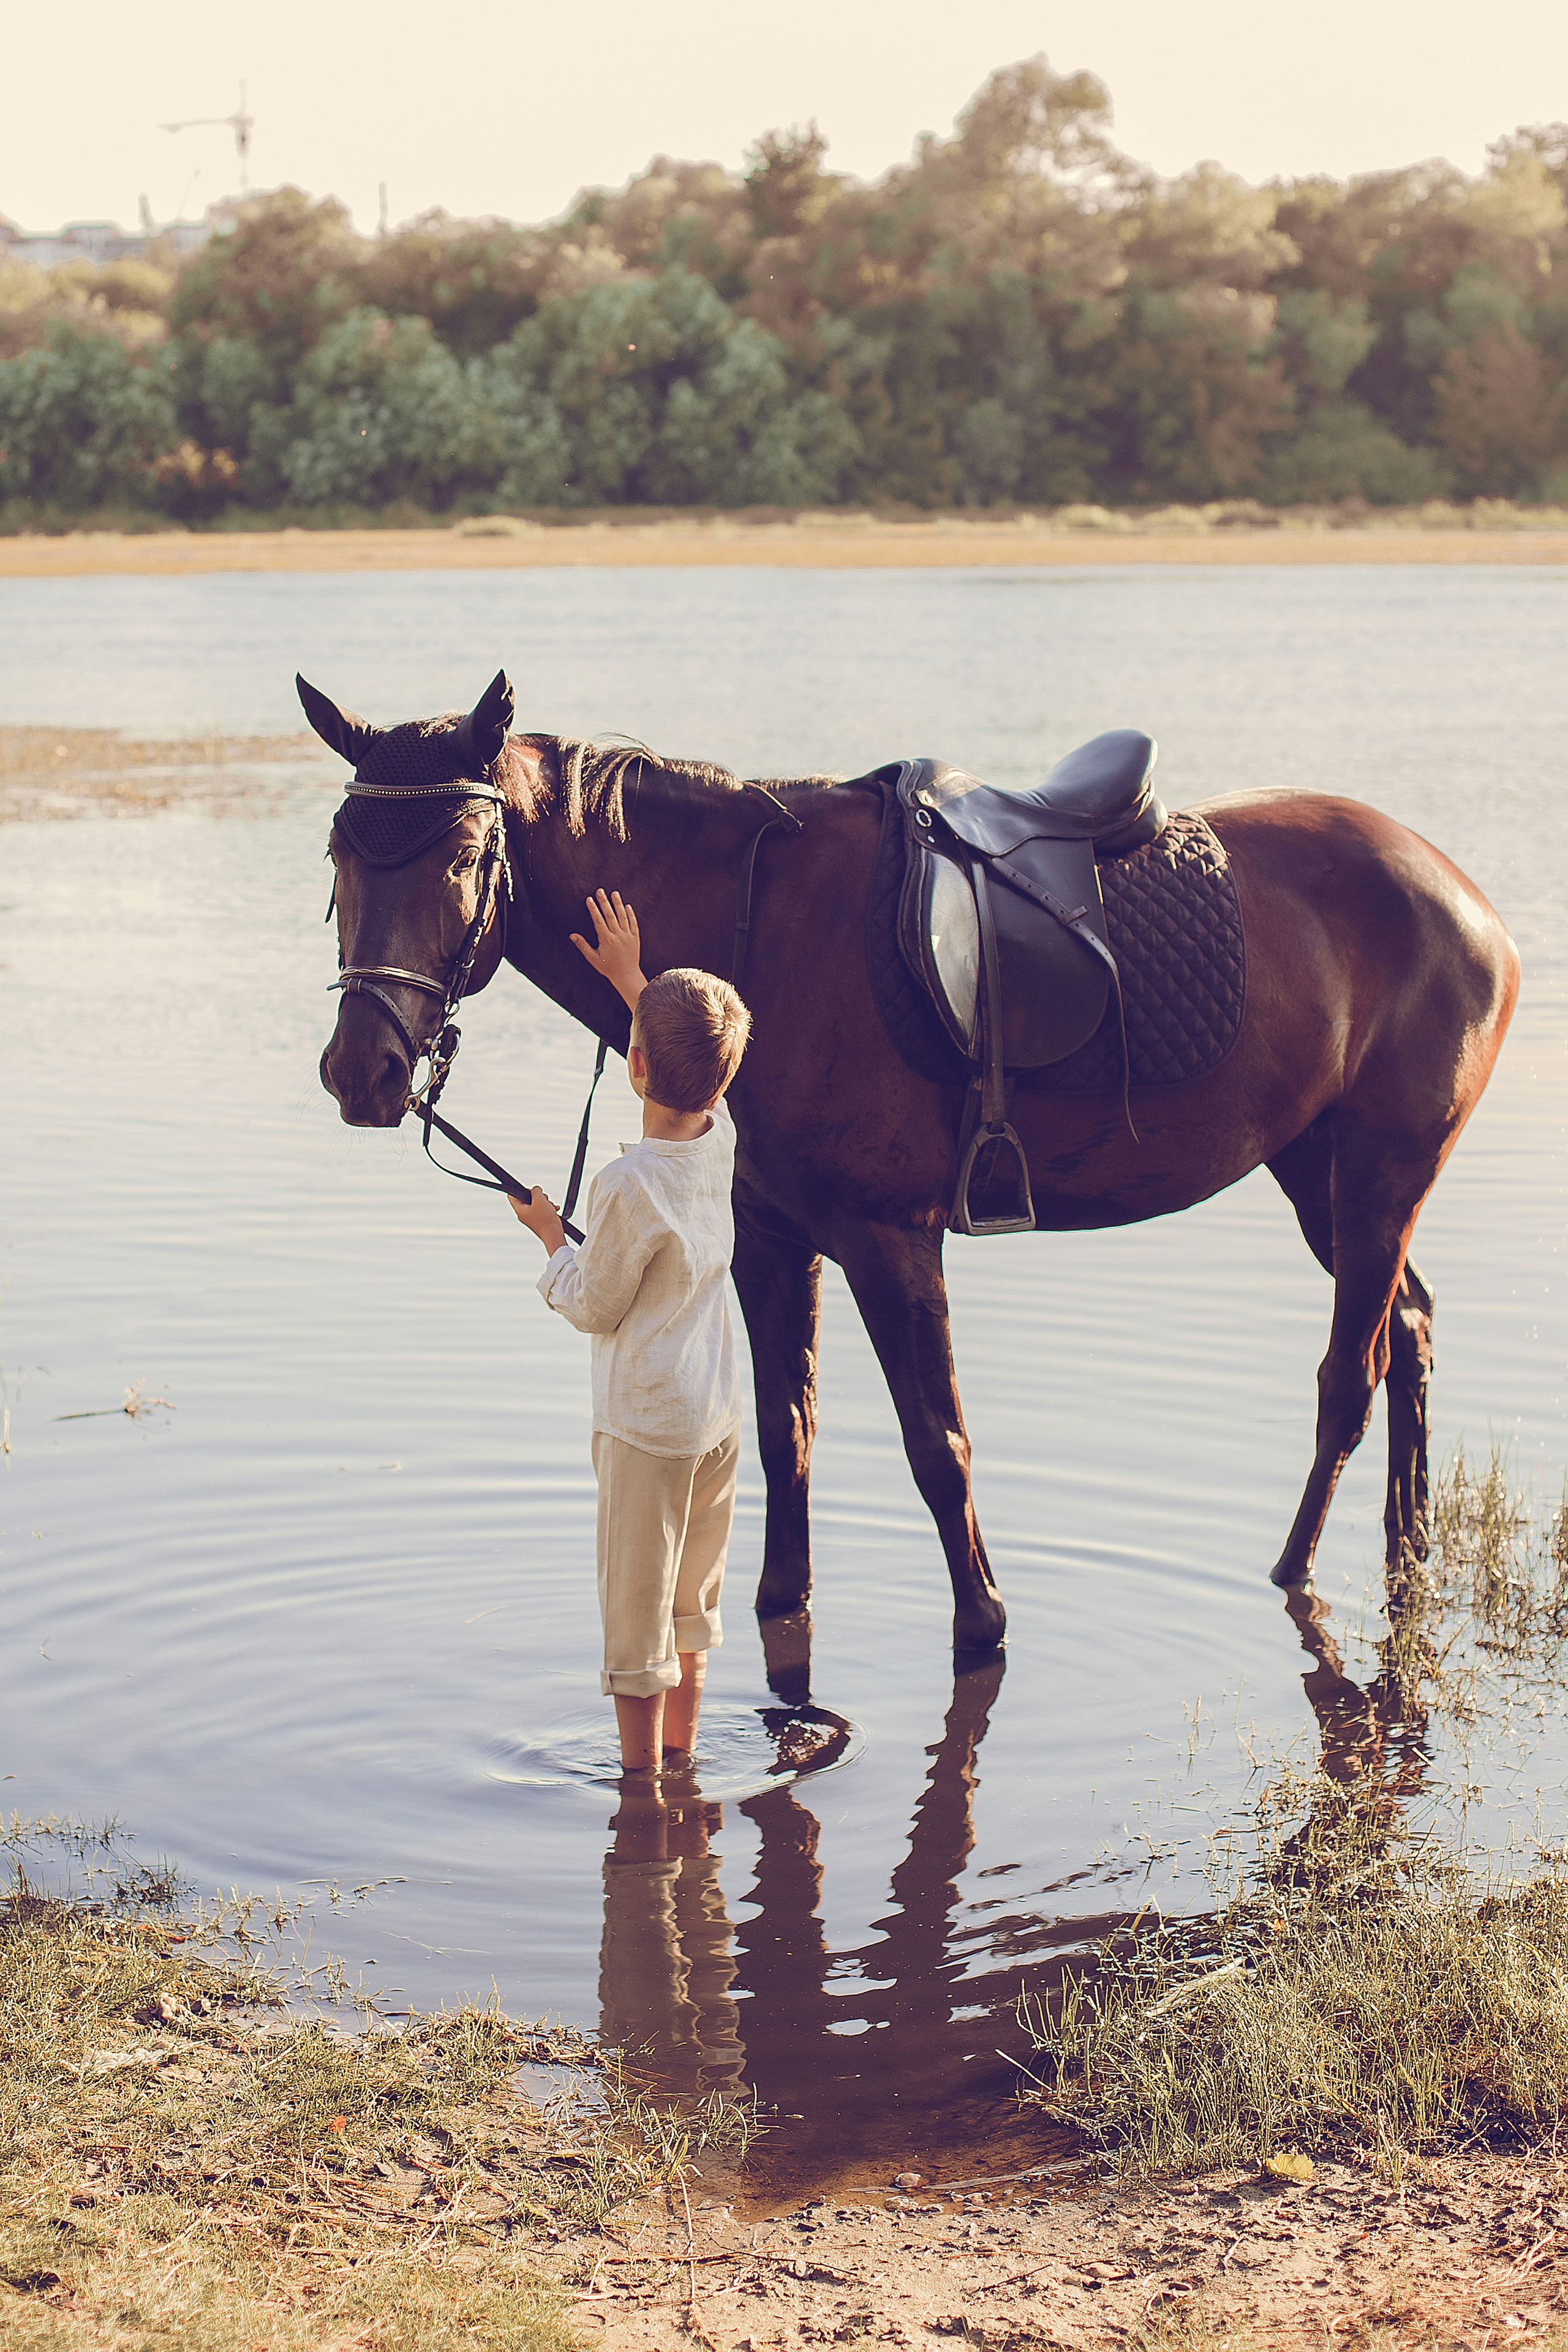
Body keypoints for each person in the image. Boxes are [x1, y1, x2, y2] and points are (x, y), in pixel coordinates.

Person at [510, 890, 751, 1776]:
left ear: (634, 1065)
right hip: (716, 1422)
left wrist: (550, 1240)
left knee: (637, 1622)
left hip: (648, 1432)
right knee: (689, 1611)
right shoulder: (720, 1137)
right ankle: (684, 1762)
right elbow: (689, 1068)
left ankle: (642, 1795)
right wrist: (633, 982)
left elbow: (595, 1304)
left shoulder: (626, 1185)